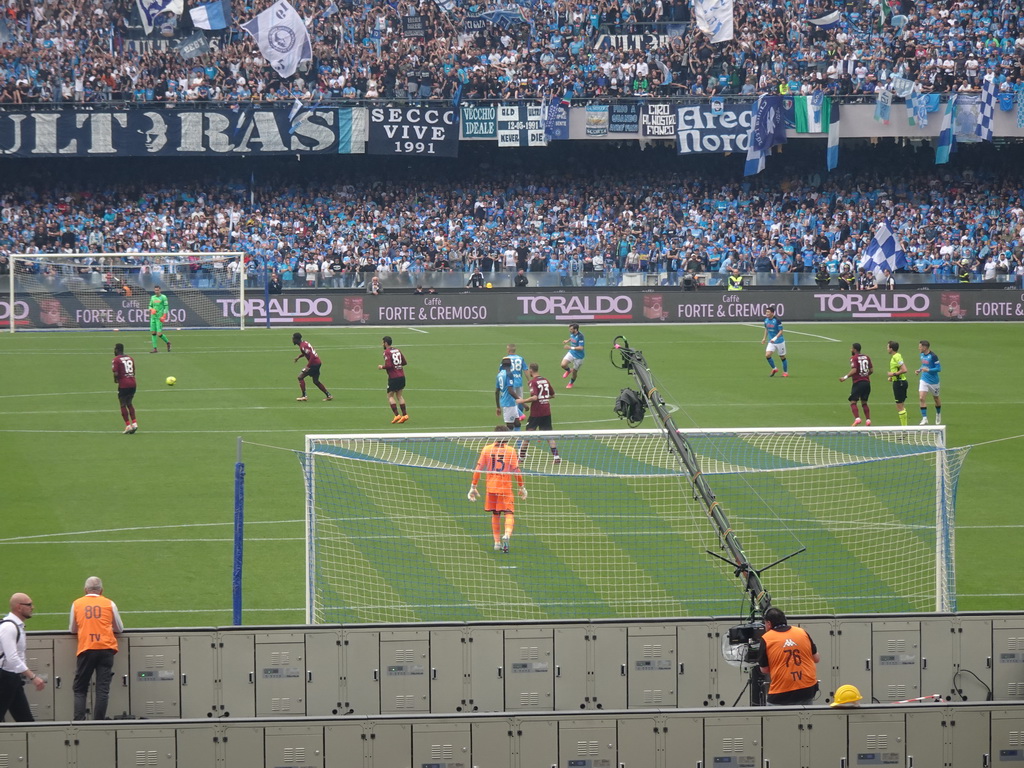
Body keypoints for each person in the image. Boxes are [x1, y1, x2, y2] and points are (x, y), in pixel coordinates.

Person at [69, 576, 124, 721]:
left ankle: (79, 721)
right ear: (101, 590)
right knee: (102, 689)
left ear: (85, 590)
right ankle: (99, 722)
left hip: (86, 648)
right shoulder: (109, 603)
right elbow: (120, 628)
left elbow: (72, 629)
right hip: (106, 648)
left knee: (80, 688)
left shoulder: (77, 604)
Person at [468, 426, 527, 553]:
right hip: (505, 486)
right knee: (509, 513)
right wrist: (522, 486)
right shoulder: (511, 451)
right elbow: (517, 471)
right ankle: (507, 534)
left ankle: (496, 542)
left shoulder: (487, 449)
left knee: (495, 513)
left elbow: (478, 469)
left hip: (491, 487)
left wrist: (473, 486)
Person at [757, 606, 820, 706]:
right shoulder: (801, 632)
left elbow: (764, 670)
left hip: (781, 693)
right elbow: (816, 658)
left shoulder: (766, 638)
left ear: (769, 623)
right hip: (807, 689)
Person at [0, 593, 46, 722]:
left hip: (11, 679)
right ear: (19, 607)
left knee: (25, 721)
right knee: (25, 720)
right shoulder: (9, 628)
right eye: (29, 604)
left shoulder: (14, 626)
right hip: (5, 679)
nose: (33, 607)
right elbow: (12, 658)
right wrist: (33, 677)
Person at [516, 362, 560, 463]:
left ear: (531, 370)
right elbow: (553, 395)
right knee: (549, 435)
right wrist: (544, 397)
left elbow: (534, 397)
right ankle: (556, 457)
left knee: (527, 435)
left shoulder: (533, 382)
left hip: (536, 412)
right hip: (546, 410)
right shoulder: (545, 380)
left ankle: (521, 458)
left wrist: (522, 401)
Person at [292, 333, 333, 402]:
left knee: (300, 377)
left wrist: (307, 367)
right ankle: (329, 395)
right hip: (317, 363)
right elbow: (307, 352)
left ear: (296, 339)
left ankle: (304, 396)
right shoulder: (304, 343)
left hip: (314, 364)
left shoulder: (303, 346)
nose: (292, 340)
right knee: (316, 381)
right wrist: (298, 357)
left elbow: (312, 356)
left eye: (293, 339)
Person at [840, 342, 873, 426]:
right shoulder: (867, 357)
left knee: (853, 402)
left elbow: (854, 370)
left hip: (858, 383)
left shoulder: (854, 358)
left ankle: (857, 419)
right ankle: (868, 420)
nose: (851, 350)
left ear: (854, 349)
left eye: (851, 348)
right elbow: (871, 370)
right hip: (867, 383)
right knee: (864, 402)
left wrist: (845, 377)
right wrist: (865, 375)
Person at [379, 335, 409, 423]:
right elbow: (404, 362)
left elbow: (389, 365)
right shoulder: (397, 350)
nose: (382, 344)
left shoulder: (387, 352)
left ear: (386, 343)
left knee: (390, 396)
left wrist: (382, 367)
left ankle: (397, 415)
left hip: (393, 377)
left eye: (383, 342)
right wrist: (398, 366)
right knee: (399, 396)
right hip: (401, 376)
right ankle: (405, 415)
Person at [112, 343, 138, 434]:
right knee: (129, 403)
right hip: (133, 383)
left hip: (124, 384)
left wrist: (116, 380)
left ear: (117, 349)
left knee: (123, 404)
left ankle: (128, 425)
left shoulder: (116, 360)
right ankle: (134, 423)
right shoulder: (130, 358)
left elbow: (116, 373)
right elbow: (133, 371)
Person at [915, 339, 942, 425]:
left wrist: (928, 370)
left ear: (925, 347)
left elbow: (939, 368)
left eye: (920, 347)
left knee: (936, 398)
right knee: (921, 398)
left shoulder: (933, 356)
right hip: (924, 379)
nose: (918, 348)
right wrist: (919, 370)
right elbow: (924, 365)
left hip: (934, 381)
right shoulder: (922, 355)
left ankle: (938, 414)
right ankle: (924, 418)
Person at [761, 305, 789, 377]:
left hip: (779, 341)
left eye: (768, 312)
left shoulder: (777, 320)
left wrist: (775, 338)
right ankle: (774, 368)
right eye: (766, 312)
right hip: (771, 342)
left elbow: (781, 331)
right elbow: (766, 329)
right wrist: (764, 338)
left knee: (782, 357)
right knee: (767, 355)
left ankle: (785, 372)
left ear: (772, 313)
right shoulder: (766, 320)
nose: (766, 313)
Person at [886, 341, 909, 426]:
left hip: (900, 384)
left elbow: (904, 369)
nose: (887, 348)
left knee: (899, 406)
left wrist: (893, 374)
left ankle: (904, 429)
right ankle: (904, 427)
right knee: (901, 406)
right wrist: (892, 377)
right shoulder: (896, 356)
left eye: (888, 347)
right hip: (899, 382)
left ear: (891, 348)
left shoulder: (896, 357)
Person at [495, 357, 520, 430]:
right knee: (510, 426)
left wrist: (498, 407)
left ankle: (518, 441)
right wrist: (522, 402)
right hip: (508, 403)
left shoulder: (499, 375)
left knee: (517, 423)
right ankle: (506, 441)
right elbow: (510, 390)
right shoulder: (509, 374)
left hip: (510, 402)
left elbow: (497, 391)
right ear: (511, 365)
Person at [560, 322, 585, 389]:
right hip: (572, 353)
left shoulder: (580, 336)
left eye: (571, 329)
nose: (569, 330)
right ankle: (568, 370)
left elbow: (581, 348)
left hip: (579, 357)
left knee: (574, 372)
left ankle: (571, 383)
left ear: (575, 330)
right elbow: (572, 338)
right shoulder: (572, 334)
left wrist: (570, 347)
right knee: (563, 365)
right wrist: (567, 340)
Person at [148, 285, 171, 353]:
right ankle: (155, 348)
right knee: (153, 332)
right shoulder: (153, 297)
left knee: (159, 334)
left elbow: (166, 307)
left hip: (159, 318)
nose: (156, 291)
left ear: (160, 290)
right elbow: (149, 306)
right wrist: (151, 309)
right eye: (155, 290)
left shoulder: (163, 297)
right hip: (153, 317)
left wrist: (164, 316)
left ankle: (168, 342)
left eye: (158, 290)